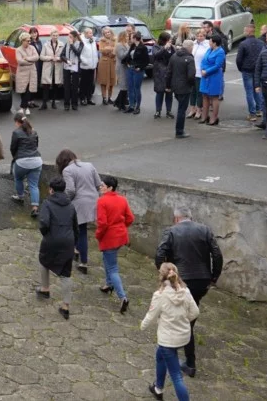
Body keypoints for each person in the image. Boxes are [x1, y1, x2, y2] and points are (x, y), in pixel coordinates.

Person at [155, 207, 223, 379]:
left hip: (180, 279)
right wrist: (214, 277)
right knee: (188, 317)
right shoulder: (205, 230)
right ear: (190, 218)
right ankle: (185, 359)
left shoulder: (170, 231)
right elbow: (217, 254)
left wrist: (164, 275)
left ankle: (186, 361)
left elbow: (160, 253)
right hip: (201, 281)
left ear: (177, 219)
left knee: (180, 320)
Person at [141, 263, 199, 401]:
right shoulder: (186, 291)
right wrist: (183, 322)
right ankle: (158, 388)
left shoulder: (160, 295)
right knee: (159, 356)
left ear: (161, 276)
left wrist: (142, 326)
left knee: (177, 377)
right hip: (184, 336)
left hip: (168, 340)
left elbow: (151, 315)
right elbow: (195, 312)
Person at [37, 177, 76, 320]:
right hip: (68, 241)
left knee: (43, 261)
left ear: (51, 190)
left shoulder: (47, 203)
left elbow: (44, 223)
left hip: (52, 239)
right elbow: (75, 226)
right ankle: (66, 306)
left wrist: (47, 235)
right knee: (66, 273)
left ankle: (45, 289)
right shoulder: (70, 205)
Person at [57, 148, 102, 274]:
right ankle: (76, 251)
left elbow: (70, 190)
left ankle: (83, 262)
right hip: (94, 201)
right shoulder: (89, 165)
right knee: (80, 230)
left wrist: (65, 201)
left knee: (80, 231)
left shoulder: (67, 170)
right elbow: (99, 184)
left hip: (79, 204)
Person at [95, 175, 133, 313]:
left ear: (110, 188)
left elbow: (102, 223)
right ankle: (108, 284)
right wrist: (121, 227)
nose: (100, 187)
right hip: (121, 236)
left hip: (109, 238)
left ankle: (123, 297)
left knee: (112, 268)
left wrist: (98, 235)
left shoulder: (102, 201)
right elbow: (130, 218)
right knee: (108, 259)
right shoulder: (122, 199)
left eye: (103, 185)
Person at [10, 112, 42, 217]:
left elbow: (13, 148)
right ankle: (35, 207)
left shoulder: (16, 133)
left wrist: (16, 157)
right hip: (37, 160)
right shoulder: (34, 131)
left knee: (18, 178)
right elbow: (36, 145)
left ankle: (20, 196)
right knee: (33, 184)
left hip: (22, 161)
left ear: (17, 122)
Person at [235, 24, 264, 121]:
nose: (244, 32)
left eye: (245, 31)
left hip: (247, 70)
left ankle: (252, 114)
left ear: (248, 31)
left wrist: (241, 68)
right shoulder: (261, 43)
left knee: (249, 92)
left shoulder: (243, 44)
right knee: (257, 89)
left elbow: (239, 59)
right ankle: (259, 110)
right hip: (258, 70)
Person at [169, 40, 196, 139]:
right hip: (185, 88)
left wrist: (168, 86)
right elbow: (191, 75)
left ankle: (179, 130)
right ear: (190, 47)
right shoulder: (189, 59)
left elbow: (169, 72)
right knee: (182, 109)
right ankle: (179, 131)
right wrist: (192, 85)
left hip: (175, 86)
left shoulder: (174, 56)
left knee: (180, 108)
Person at [199, 34, 226, 126]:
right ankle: (204, 116)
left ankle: (214, 117)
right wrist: (202, 69)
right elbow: (203, 60)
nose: (209, 42)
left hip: (214, 76)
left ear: (214, 43)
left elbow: (218, 65)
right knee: (205, 95)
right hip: (205, 75)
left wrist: (206, 71)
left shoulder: (220, 52)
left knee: (214, 97)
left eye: (210, 41)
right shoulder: (209, 50)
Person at [122, 31, 150, 115]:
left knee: (136, 88)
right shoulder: (133, 46)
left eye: (131, 38)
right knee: (130, 88)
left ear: (134, 38)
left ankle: (137, 106)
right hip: (130, 68)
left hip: (138, 70)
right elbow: (129, 56)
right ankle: (131, 106)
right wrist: (127, 62)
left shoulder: (143, 48)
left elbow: (146, 60)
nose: (130, 39)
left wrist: (140, 67)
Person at [14, 32, 40, 115]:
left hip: (32, 72)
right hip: (22, 72)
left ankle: (24, 107)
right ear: (23, 41)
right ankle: (24, 106)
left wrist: (27, 58)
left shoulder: (32, 48)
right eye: (27, 41)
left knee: (29, 89)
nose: (29, 42)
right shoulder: (18, 50)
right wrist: (30, 61)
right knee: (23, 90)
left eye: (29, 40)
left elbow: (36, 57)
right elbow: (20, 61)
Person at [39, 31, 65, 110]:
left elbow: (63, 57)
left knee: (55, 85)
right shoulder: (46, 45)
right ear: (50, 36)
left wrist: (57, 58)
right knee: (46, 86)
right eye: (53, 35)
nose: (55, 37)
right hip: (48, 67)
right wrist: (50, 58)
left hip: (57, 68)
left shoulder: (61, 45)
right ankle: (44, 103)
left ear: (58, 36)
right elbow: (41, 57)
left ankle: (53, 102)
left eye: (56, 35)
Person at [151, 32, 174, 119]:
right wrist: (164, 48)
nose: (170, 41)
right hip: (159, 73)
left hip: (169, 72)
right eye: (168, 40)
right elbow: (156, 55)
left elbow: (174, 55)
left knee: (169, 92)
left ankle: (169, 111)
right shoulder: (156, 46)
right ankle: (158, 111)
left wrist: (172, 48)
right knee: (160, 92)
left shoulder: (171, 47)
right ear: (164, 40)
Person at [62, 30, 83, 111]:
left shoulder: (80, 44)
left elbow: (78, 53)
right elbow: (62, 55)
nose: (69, 38)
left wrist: (72, 45)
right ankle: (66, 104)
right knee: (66, 86)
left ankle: (74, 104)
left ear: (75, 37)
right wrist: (66, 60)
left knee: (75, 86)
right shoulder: (66, 44)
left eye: (70, 37)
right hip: (67, 66)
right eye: (68, 37)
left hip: (75, 67)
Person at [190, 31, 209, 121]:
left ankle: (199, 110)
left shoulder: (207, 45)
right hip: (192, 72)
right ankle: (192, 109)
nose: (199, 37)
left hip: (200, 72)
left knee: (199, 92)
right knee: (192, 91)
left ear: (204, 36)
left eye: (201, 36)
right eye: (198, 36)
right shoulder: (193, 44)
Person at [97, 28, 118, 105]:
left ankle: (109, 97)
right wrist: (111, 49)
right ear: (104, 34)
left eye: (109, 32)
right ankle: (104, 98)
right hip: (104, 63)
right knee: (103, 81)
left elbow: (116, 49)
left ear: (111, 32)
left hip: (113, 62)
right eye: (106, 33)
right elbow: (101, 50)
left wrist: (109, 49)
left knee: (112, 80)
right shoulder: (101, 40)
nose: (107, 33)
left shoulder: (115, 40)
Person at [79, 27, 99, 106]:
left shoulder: (93, 40)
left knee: (91, 83)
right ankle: (82, 98)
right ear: (85, 34)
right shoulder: (82, 41)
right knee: (84, 83)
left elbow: (95, 52)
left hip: (92, 65)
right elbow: (79, 54)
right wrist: (85, 61)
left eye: (92, 33)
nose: (91, 34)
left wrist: (96, 60)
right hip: (85, 66)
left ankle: (89, 98)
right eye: (90, 33)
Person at [113, 30, 130, 110]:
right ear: (122, 37)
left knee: (126, 86)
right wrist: (129, 50)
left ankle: (118, 102)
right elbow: (121, 56)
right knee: (123, 85)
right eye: (126, 36)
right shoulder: (119, 45)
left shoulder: (126, 44)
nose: (128, 37)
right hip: (121, 67)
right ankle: (120, 104)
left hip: (126, 67)